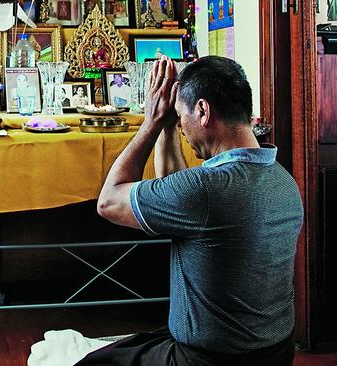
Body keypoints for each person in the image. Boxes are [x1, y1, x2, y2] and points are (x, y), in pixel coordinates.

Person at [83, 56, 304, 365]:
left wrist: (152, 121)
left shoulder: (205, 189)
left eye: (180, 117)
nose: (182, 128)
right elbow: (175, 192)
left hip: (207, 360)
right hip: (276, 354)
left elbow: (108, 202)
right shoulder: (284, 180)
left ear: (202, 111)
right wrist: (169, 129)